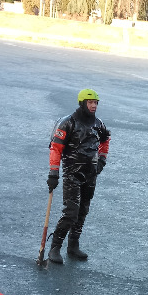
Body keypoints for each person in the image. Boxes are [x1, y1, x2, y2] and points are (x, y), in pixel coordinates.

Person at [45, 89, 110, 264]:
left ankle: (73, 245)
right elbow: (56, 148)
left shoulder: (98, 124)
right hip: (72, 173)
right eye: (90, 102)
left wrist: (102, 160)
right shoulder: (68, 123)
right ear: (82, 103)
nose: (94, 105)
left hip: (91, 174)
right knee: (71, 213)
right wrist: (53, 173)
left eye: (96, 102)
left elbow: (105, 139)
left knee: (83, 211)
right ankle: (55, 247)